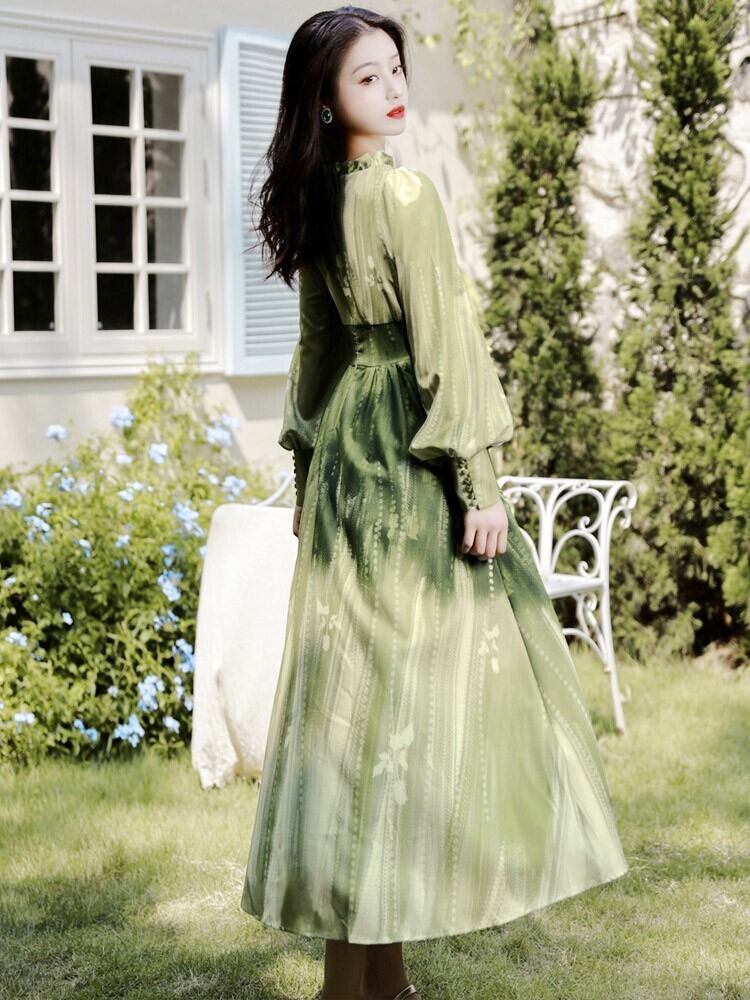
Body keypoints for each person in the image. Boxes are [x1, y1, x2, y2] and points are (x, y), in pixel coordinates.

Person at [240, 8, 629, 1000]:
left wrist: (306, 470)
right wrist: (478, 483)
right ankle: (355, 987)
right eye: (366, 79)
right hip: (406, 461)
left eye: (394, 70)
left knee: (361, 716)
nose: (393, 89)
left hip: (347, 462)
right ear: (326, 102)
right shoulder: (402, 193)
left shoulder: (318, 196)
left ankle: (383, 984)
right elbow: (442, 340)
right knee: (407, 715)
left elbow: (319, 353)